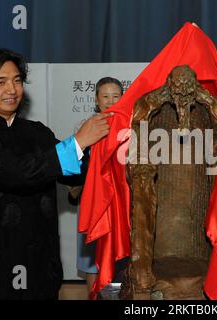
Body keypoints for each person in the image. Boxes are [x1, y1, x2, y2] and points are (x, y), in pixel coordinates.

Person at [0, 48, 112, 300]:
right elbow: (17, 173)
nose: (12, 89)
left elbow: (72, 174)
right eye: (0, 82)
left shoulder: (37, 132)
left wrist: (105, 152)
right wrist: (78, 143)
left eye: (17, 80)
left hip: (43, 264)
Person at [69, 77, 127, 300]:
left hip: (121, 201)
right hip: (94, 201)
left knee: (121, 256)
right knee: (92, 256)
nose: (110, 101)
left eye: (116, 96)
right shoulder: (87, 127)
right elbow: (75, 165)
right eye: (105, 96)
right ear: (96, 100)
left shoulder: (132, 127)